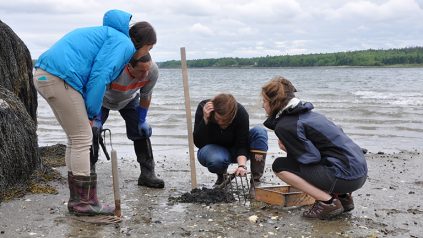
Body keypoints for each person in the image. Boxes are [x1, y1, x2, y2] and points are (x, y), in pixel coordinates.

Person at [33, 10, 156, 216]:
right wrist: (92, 114)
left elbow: (93, 70)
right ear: (142, 44)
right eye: (149, 48)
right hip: (59, 77)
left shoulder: (107, 34)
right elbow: (100, 76)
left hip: (44, 74)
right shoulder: (123, 43)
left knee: (75, 138)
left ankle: (77, 200)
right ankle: (85, 202)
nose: (147, 53)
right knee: (83, 138)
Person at [261, 76, 368, 220]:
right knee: (327, 159)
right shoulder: (310, 115)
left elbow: (310, 158)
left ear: (274, 103)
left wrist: (289, 150)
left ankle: (327, 202)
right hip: (360, 173)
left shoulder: (286, 125)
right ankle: (343, 199)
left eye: (264, 101)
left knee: (279, 165)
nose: (262, 105)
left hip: (345, 177)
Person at [90, 52, 164, 188]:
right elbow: (95, 91)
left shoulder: (152, 71)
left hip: (129, 99)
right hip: (101, 99)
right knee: (91, 132)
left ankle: (147, 174)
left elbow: (146, 95)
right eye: (141, 71)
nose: (145, 75)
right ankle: (88, 173)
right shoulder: (113, 69)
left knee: (141, 132)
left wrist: (142, 120)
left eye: (147, 70)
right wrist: (97, 119)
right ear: (129, 67)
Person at [193, 93, 268, 187]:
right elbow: (198, 143)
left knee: (260, 132)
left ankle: (255, 182)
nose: (221, 123)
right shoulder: (204, 109)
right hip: (214, 151)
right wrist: (205, 120)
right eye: (218, 119)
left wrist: (241, 166)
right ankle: (221, 176)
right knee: (216, 160)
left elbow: (242, 144)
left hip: (236, 150)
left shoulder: (240, 113)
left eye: (225, 121)